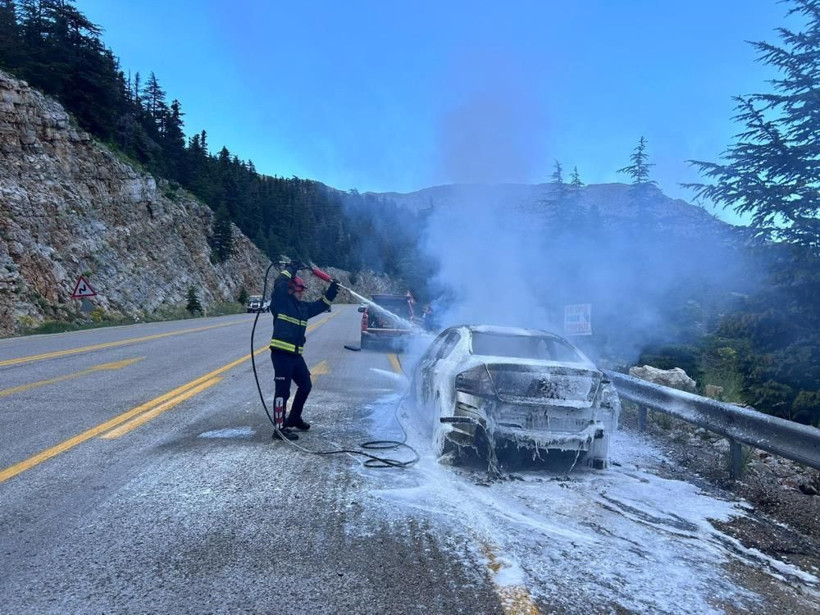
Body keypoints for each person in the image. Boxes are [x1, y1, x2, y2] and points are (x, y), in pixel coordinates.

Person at [269, 261, 339, 440]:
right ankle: (279, 428)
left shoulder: (302, 308)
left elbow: (321, 305)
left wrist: (332, 290)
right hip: (281, 355)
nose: (302, 293)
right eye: (300, 290)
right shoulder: (281, 302)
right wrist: (291, 269)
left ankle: (294, 417)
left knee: (305, 385)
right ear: (292, 289)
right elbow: (280, 283)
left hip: (295, 355)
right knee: (282, 392)